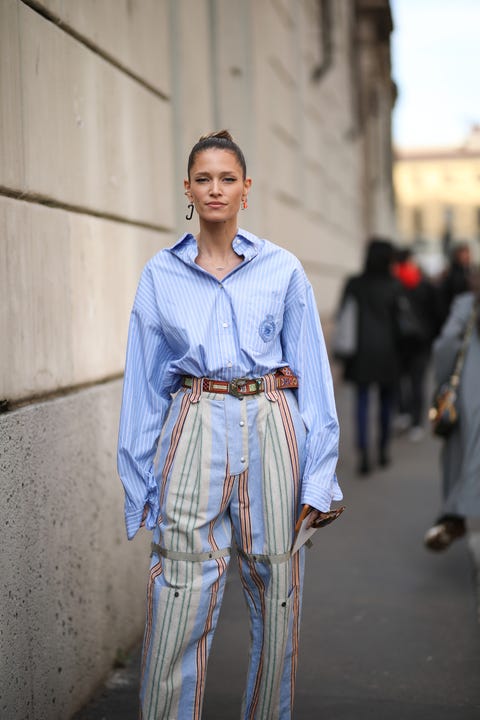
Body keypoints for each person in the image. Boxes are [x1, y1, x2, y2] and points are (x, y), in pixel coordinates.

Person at [117, 130, 342, 719]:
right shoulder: (160, 275)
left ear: (247, 189)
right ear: (187, 190)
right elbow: (142, 386)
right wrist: (138, 482)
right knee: (178, 592)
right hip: (192, 424)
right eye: (203, 178)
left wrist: (320, 478)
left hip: (273, 422)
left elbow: (315, 378)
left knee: (278, 592)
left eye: (227, 178)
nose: (215, 189)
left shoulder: (283, 269)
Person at [424, 270, 480, 552]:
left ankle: (453, 517)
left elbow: (446, 343)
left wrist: (444, 385)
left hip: (472, 395)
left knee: (461, 455)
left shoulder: (468, 304)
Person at [335, 238, 400, 475]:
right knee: (385, 403)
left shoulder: (354, 283)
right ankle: (382, 449)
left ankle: (363, 454)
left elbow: (343, 315)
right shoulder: (393, 285)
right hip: (387, 351)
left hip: (360, 352)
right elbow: (399, 322)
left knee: (361, 402)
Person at [392, 248, 441, 441]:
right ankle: (416, 423)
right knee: (417, 382)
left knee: (400, 381)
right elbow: (436, 313)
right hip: (421, 342)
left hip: (399, 343)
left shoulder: (394, 283)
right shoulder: (425, 285)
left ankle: (404, 413)